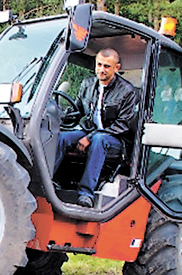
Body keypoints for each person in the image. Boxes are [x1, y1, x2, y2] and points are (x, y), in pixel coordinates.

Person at [52, 48, 138, 207]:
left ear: (116, 68)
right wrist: (57, 117)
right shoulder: (87, 84)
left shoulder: (127, 91)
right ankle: (50, 180)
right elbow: (77, 111)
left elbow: (123, 124)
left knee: (99, 140)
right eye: (99, 65)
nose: (101, 70)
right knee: (62, 137)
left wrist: (89, 137)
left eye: (106, 66)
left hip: (115, 139)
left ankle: (86, 193)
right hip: (89, 130)